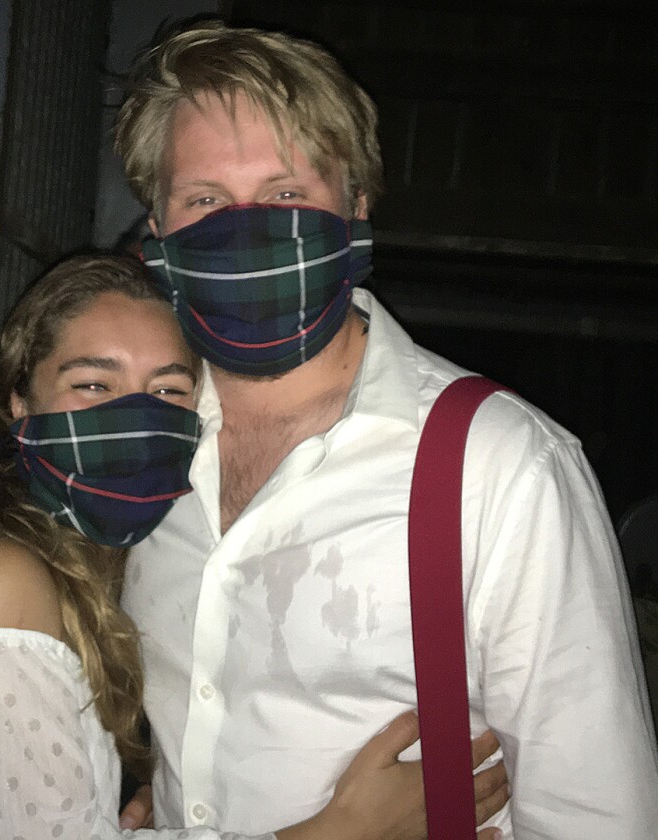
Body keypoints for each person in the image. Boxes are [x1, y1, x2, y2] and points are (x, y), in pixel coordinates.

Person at [107, 20, 658, 839]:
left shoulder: (502, 468)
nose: (248, 227)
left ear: (357, 209)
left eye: (289, 194)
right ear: (159, 233)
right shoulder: (132, 448)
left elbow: (596, 819)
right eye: (206, 200)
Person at [0, 253, 508, 839]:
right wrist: (346, 830)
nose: (134, 418)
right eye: (93, 384)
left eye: (166, 390)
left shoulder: (123, 553)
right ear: (19, 400)